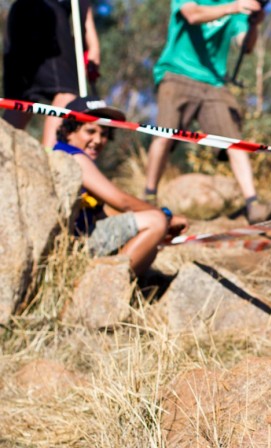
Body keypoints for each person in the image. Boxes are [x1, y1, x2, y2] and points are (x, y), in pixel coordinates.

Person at [143, 0, 271, 225]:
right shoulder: (232, 5)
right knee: (164, 135)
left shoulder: (235, 7)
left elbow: (245, 46)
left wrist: (254, 24)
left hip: (214, 82)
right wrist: (234, 7)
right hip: (176, 73)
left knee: (235, 142)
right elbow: (192, 15)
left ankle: (253, 205)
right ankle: (149, 197)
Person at [54, 96, 188, 276]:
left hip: (79, 241)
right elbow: (121, 201)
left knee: (151, 240)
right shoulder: (71, 156)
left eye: (103, 134)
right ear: (69, 132)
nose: (98, 140)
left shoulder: (69, 155)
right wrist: (165, 216)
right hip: (74, 244)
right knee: (155, 222)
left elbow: (103, 213)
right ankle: (105, 284)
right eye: (90, 131)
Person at [3, 0, 101, 147]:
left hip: (20, 16)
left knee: (21, 100)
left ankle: (3, 150)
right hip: (49, 18)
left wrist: (92, 49)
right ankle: (51, 158)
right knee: (66, 94)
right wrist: (92, 48)